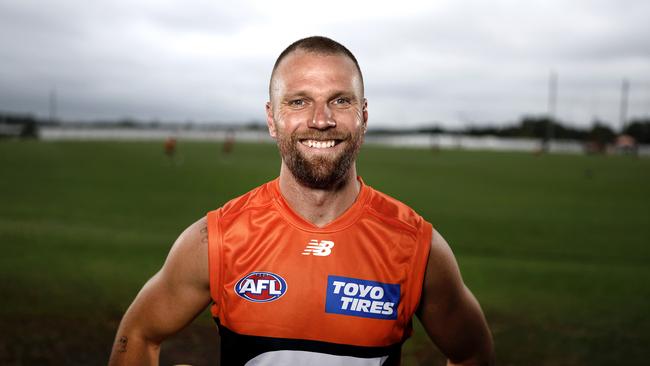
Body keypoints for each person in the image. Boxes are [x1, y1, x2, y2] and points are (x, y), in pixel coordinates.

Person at [108, 36, 494, 366]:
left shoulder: (417, 248)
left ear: (363, 115)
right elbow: (139, 334)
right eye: (298, 102)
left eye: (340, 101)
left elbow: (472, 353)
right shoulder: (216, 240)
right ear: (271, 118)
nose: (321, 119)